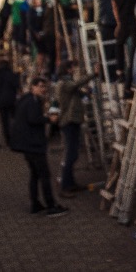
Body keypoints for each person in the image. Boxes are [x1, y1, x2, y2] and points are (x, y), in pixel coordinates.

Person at [10, 76, 69, 217]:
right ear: (33, 87)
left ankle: (35, 203)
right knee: (44, 175)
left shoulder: (27, 99)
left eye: (44, 87)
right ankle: (51, 206)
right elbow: (33, 119)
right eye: (41, 86)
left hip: (27, 145)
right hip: (34, 145)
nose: (43, 90)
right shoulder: (32, 102)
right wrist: (49, 119)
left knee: (35, 175)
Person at [55, 59, 100, 196]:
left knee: (73, 154)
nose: (74, 70)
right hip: (69, 122)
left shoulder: (66, 84)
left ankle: (70, 183)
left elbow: (77, 91)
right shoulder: (64, 83)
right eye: (72, 68)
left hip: (73, 121)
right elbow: (75, 85)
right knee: (71, 154)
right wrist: (94, 74)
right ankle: (65, 186)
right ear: (67, 69)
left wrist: (87, 93)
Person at [109, 0, 136, 92]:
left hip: (123, 18)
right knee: (135, 46)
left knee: (119, 43)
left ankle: (120, 71)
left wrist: (118, 23)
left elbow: (114, 5)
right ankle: (134, 72)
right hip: (135, 16)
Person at [0, 58, 20, 146]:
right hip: (11, 100)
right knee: (14, 118)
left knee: (4, 121)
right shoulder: (11, 74)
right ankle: (15, 136)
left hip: (0, 101)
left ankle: (7, 138)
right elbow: (16, 84)